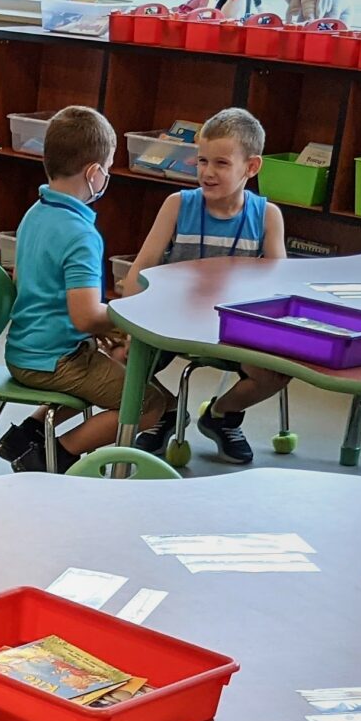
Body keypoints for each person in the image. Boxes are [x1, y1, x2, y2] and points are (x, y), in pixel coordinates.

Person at [0, 105, 171, 472]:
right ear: (94, 173)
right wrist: (124, 317)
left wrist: (99, 329)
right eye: (106, 169)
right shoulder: (81, 234)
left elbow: (25, 283)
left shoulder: (37, 211)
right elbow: (85, 314)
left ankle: (27, 433)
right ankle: (54, 456)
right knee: (150, 402)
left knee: (101, 360)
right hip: (52, 361)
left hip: (25, 348)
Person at [119, 106, 286, 465]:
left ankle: (222, 413)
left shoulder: (267, 216)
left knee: (277, 372)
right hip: (170, 322)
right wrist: (129, 320)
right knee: (118, 362)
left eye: (222, 164)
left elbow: (278, 287)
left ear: (251, 167)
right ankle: (164, 412)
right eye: (202, 161)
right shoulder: (177, 205)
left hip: (234, 330)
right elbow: (141, 269)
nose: (208, 173)